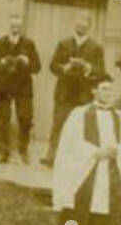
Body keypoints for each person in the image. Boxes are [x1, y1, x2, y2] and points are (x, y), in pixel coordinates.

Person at [52, 73, 121, 225]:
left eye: (111, 89)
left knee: (103, 216)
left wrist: (117, 151)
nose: (108, 93)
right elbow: (69, 145)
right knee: (77, 212)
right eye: (104, 89)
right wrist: (94, 152)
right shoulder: (79, 114)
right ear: (94, 90)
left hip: (109, 174)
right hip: (85, 171)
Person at [42, 10, 105, 166]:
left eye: (85, 23)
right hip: (65, 93)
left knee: (81, 128)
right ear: (74, 24)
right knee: (58, 124)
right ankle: (52, 156)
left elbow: (101, 71)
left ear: (89, 26)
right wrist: (65, 67)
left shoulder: (96, 48)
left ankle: (77, 160)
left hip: (84, 95)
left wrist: (88, 67)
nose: (81, 26)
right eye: (79, 23)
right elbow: (53, 65)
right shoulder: (63, 44)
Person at [0, 13, 41, 163]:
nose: (15, 28)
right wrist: (1, 62)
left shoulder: (29, 44)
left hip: (23, 87)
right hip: (3, 86)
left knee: (25, 118)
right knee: (3, 119)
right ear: (9, 26)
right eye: (13, 25)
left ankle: (23, 149)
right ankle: (3, 152)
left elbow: (37, 67)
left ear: (21, 27)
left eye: (18, 26)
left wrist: (27, 61)